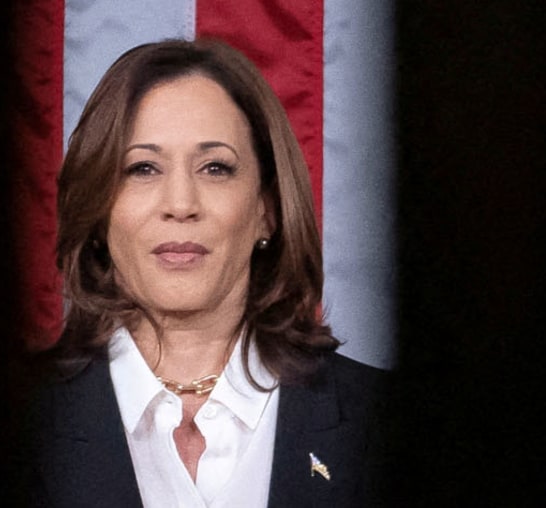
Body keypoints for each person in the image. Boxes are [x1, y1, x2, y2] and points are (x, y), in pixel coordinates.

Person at [20, 39, 387, 507]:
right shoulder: (8, 427)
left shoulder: (391, 423)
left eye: (215, 168)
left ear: (266, 211)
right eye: (143, 168)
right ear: (98, 210)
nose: (180, 205)